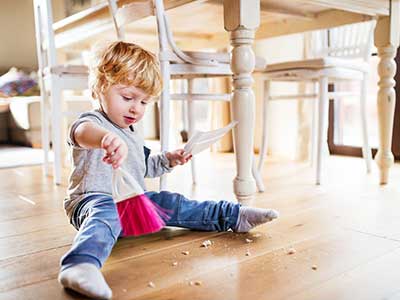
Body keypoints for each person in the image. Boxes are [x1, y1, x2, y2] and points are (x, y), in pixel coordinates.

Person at [58, 41, 279, 300]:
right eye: (127, 97)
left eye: (144, 102)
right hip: (91, 201)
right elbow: (81, 134)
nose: (135, 108)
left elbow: (144, 166)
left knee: (174, 203)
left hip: (132, 202)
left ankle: (233, 216)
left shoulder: (131, 132)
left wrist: (169, 160)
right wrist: (104, 139)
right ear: (99, 88)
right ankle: (80, 264)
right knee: (106, 211)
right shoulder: (92, 122)